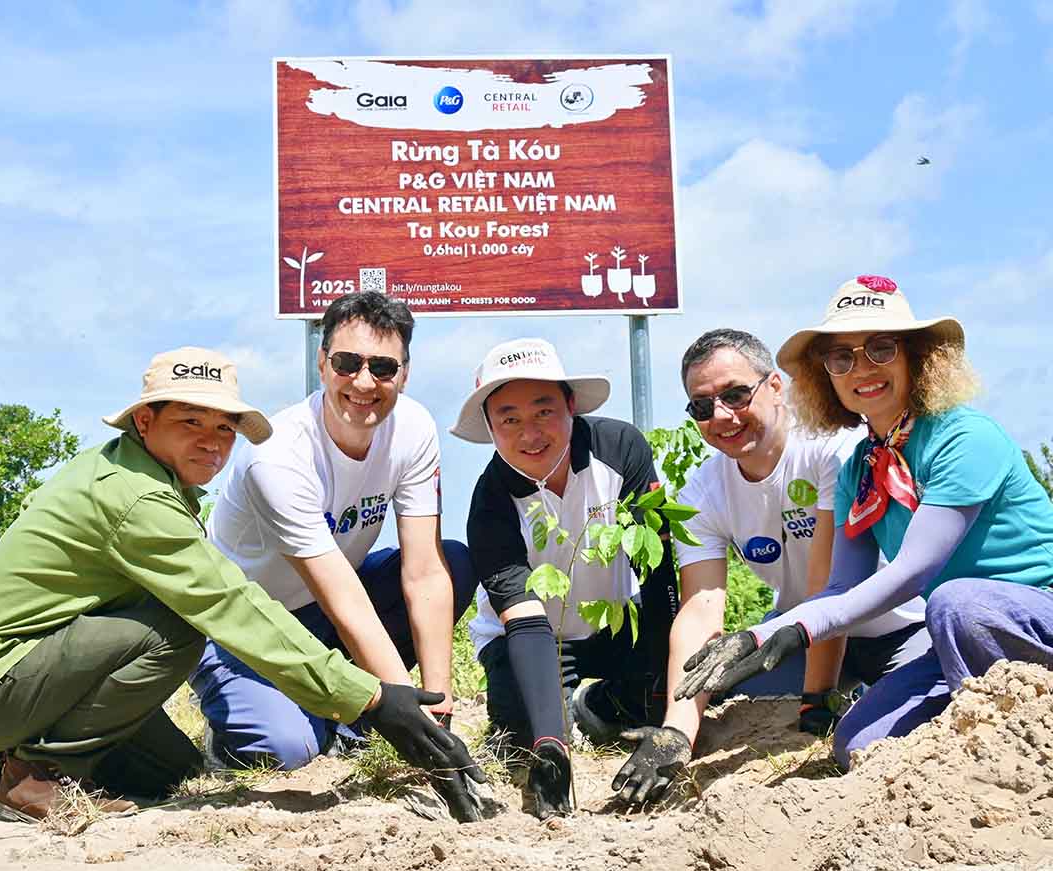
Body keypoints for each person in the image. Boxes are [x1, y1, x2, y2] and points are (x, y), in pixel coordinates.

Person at [0, 346, 482, 823]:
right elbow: (229, 606)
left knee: (171, 776)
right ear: (145, 421)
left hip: (18, 673)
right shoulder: (139, 499)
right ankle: (34, 775)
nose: (213, 443)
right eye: (190, 422)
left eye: (224, 429)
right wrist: (373, 699)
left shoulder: (138, 473)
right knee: (178, 626)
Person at [675, 275, 1053, 768]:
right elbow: (839, 588)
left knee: (958, 602)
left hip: (1024, 621)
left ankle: (1011, 734)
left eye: (880, 348)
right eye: (842, 358)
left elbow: (911, 573)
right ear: (824, 376)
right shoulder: (860, 465)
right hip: (952, 638)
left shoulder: (966, 438)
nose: (862, 369)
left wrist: (794, 630)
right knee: (859, 743)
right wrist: (762, 634)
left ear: (916, 355)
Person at [191, 293, 478, 814]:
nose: (364, 383)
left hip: (329, 604)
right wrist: (408, 719)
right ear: (322, 364)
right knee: (286, 748)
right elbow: (343, 599)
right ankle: (236, 729)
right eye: (347, 363)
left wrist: (437, 712)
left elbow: (424, 573)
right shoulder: (276, 454)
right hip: (249, 619)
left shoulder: (414, 429)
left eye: (383, 367)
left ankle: (353, 717)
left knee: (455, 561)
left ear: (405, 373)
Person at [450, 338, 681, 819]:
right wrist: (551, 746)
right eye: (509, 419)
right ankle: (546, 719)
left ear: (571, 406)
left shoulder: (620, 449)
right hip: (526, 640)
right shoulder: (490, 504)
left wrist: (664, 698)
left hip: (614, 624)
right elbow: (527, 622)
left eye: (544, 411)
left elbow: (655, 572)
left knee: (654, 702)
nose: (530, 433)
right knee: (522, 734)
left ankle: (596, 702)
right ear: (490, 428)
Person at [673, 329, 928, 741]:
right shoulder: (700, 493)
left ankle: (854, 697)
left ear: (775, 386)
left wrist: (816, 697)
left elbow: (828, 584)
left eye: (735, 395)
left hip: (898, 628)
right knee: (719, 694)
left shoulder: (833, 448)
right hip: (797, 637)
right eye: (702, 406)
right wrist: (677, 731)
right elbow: (700, 610)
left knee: (898, 726)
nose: (721, 415)